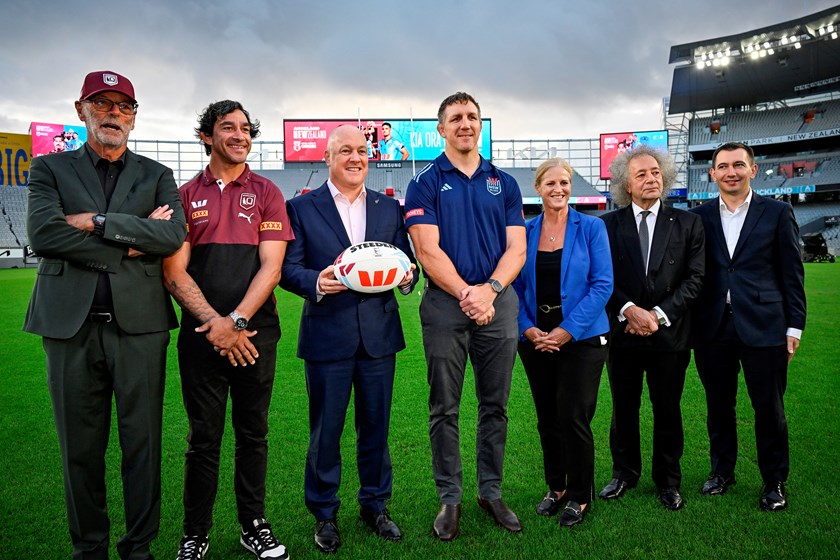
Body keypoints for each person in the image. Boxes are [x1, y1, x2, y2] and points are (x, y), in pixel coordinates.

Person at [23, 70, 186, 560]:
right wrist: (130, 240)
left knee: (143, 446)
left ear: (134, 116)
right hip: (68, 327)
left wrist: (97, 224)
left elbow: (170, 236)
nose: (113, 112)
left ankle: (138, 549)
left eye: (123, 105)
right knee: (80, 449)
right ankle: (88, 549)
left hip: (138, 326)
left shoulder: (156, 174)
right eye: (102, 103)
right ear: (81, 110)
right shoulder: (48, 168)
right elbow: (45, 237)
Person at [162, 100, 294, 560]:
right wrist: (214, 324)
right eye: (227, 127)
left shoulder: (268, 192)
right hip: (201, 338)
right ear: (206, 136)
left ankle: (252, 525)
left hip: (256, 334)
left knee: (253, 433)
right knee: (203, 438)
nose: (239, 135)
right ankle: (194, 534)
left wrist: (235, 322)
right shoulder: (181, 195)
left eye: (245, 128)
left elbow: (272, 267)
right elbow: (175, 272)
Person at [280, 125, 418, 554]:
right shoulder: (301, 208)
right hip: (327, 336)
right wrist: (316, 282)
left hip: (379, 337)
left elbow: (405, 259)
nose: (355, 157)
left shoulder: (389, 207)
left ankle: (375, 505)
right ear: (328, 157)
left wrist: (408, 276)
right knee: (327, 430)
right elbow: (287, 268)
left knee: (375, 427)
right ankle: (324, 513)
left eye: (362, 150)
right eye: (345, 151)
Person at [404, 92, 526, 541]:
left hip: (498, 303)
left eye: (472, 117)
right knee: (445, 408)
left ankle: (490, 492)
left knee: (496, 406)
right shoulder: (425, 182)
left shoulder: (505, 182)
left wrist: (489, 290)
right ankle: (450, 498)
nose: (465, 124)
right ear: (441, 128)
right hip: (444, 306)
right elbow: (427, 250)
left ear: (480, 125)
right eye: (455, 118)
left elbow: (517, 247)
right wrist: (465, 293)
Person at [690, 142, 806, 511]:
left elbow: (792, 273)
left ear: (753, 170)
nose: (731, 172)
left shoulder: (777, 212)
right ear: (712, 174)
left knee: (768, 407)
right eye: (723, 166)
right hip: (713, 327)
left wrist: (794, 327)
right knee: (718, 405)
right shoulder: (700, 216)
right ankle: (722, 471)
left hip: (766, 325)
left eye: (739, 164)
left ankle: (774, 480)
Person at [598, 146, 705, 511]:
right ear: (626, 184)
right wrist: (629, 311)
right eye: (642, 174)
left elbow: (695, 279)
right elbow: (601, 278)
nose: (651, 178)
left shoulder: (689, 222)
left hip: (670, 336)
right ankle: (624, 473)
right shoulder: (607, 225)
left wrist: (656, 315)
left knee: (668, 409)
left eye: (656, 172)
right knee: (623, 408)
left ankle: (668, 480)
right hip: (623, 334)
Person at [512, 157, 612, 526]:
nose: (559, 190)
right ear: (537, 188)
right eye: (550, 184)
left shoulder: (591, 228)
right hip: (536, 340)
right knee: (547, 418)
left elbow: (603, 284)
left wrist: (566, 330)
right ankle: (556, 487)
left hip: (583, 338)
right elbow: (514, 286)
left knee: (573, 416)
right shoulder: (525, 231)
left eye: (565, 183)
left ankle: (581, 493)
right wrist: (528, 329)